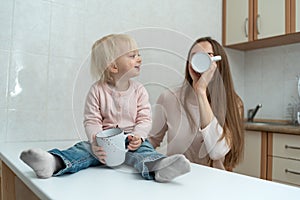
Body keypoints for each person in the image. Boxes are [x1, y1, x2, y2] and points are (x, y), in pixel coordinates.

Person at [20, 34, 190, 182]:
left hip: (131, 141)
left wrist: (138, 136)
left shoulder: (139, 91)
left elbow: (144, 119)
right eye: (132, 55)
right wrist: (95, 143)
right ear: (114, 66)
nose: (139, 58)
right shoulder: (97, 90)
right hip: (104, 143)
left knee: (145, 150)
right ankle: (54, 162)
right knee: (82, 149)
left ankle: (159, 168)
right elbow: (92, 120)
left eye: (139, 54)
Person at [148, 37, 244, 170]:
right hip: (176, 179)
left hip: (215, 181)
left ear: (218, 62)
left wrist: (201, 91)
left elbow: (217, 152)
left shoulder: (234, 103)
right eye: (194, 56)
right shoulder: (169, 98)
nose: (199, 60)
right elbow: (151, 140)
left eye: (207, 56)